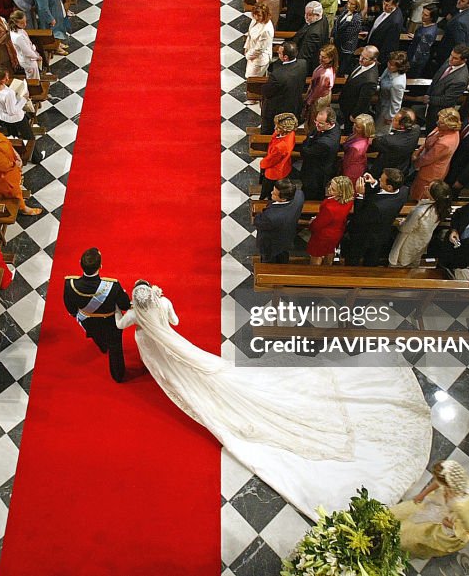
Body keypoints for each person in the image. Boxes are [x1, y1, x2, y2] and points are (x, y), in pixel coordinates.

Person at [116, 280, 431, 517]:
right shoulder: (163, 302)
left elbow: (119, 324)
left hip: (154, 347)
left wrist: (118, 312)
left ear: (135, 302)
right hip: (178, 347)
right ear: (152, 297)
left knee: (173, 374)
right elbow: (175, 324)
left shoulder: (134, 317)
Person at [391, 460, 469, 559]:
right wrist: (423, 494)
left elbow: (467, 529)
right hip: (442, 505)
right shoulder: (457, 479)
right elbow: (438, 482)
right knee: (405, 512)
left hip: (453, 522)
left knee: (412, 535)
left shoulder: (459, 506)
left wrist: (446, 522)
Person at [63, 248, 132, 382]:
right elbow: (124, 305)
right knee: (115, 347)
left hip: (88, 321)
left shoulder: (70, 284)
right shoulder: (113, 285)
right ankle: (118, 375)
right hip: (110, 322)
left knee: (97, 335)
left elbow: (69, 305)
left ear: (80, 263)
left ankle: (102, 346)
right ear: (100, 266)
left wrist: (76, 315)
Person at [0, 115, 43, 215]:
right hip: (2, 177)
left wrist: (16, 154)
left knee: (12, 191)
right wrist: (16, 163)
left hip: (9, 166)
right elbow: (5, 166)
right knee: (14, 193)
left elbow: (5, 141)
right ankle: (24, 209)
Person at [342, 169, 409, 266]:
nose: (379, 179)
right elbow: (387, 191)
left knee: (354, 258)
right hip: (382, 233)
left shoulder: (377, 206)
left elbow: (359, 218)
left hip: (364, 235)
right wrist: (375, 183)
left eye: (381, 180)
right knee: (372, 258)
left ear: (389, 187)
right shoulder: (404, 191)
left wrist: (360, 195)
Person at [388, 179, 452, 266]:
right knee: (413, 258)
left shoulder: (420, 211)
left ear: (433, 196)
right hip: (423, 239)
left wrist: (401, 223)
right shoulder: (442, 207)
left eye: (428, 188)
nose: (425, 187)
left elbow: (406, 228)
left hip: (409, 239)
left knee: (401, 260)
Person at [410, 108, 462, 201]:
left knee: (419, 195)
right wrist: (418, 151)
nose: (437, 123)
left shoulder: (445, 143)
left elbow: (428, 158)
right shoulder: (442, 127)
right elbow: (428, 141)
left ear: (450, 125)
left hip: (431, 171)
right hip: (425, 160)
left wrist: (415, 162)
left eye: (441, 122)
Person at [421, 45, 469, 133]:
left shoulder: (460, 79)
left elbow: (447, 100)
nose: (451, 59)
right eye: (451, 55)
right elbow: (436, 78)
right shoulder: (450, 61)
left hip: (440, 110)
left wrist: (429, 99)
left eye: (455, 58)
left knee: (432, 130)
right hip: (431, 101)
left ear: (464, 60)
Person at [255, 177, 305, 263]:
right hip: (287, 236)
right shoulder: (299, 195)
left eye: (274, 193)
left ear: (283, 199)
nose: (271, 193)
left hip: (271, 243)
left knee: (268, 260)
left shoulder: (271, 217)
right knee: (282, 254)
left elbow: (258, 221)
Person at [307, 175, 354, 264]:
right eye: (330, 186)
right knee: (330, 250)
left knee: (316, 254)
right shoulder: (348, 201)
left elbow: (318, 225)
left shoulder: (329, 207)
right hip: (337, 231)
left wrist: (311, 224)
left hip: (323, 235)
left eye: (333, 189)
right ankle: (328, 266)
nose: (329, 189)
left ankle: (313, 271)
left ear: (340, 192)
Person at [298, 107, 341, 200]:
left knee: (311, 195)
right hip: (317, 164)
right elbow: (311, 135)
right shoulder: (331, 126)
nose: (316, 125)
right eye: (316, 121)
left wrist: (308, 141)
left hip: (316, 173)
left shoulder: (326, 142)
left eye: (320, 123)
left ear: (330, 124)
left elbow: (305, 152)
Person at [259, 113, 299, 201]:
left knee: (267, 189)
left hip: (274, 171)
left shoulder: (281, 147)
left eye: (277, 128)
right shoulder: (291, 133)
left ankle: (263, 200)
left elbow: (270, 161)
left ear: (284, 130)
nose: (275, 129)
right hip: (284, 166)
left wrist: (262, 163)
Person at [374, 52, 409, 135]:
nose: (389, 66)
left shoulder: (398, 83)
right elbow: (381, 79)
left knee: (380, 133)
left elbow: (396, 103)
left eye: (392, 65)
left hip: (387, 110)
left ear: (400, 67)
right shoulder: (389, 69)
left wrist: (390, 117)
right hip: (381, 102)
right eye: (389, 63)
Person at [331, 0, 364, 75]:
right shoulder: (345, 12)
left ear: (357, 6)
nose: (349, 5)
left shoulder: (357, 19)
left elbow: (347, 35)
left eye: (352, 4)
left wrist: (335, 39)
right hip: (337, 43)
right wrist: (332, 35)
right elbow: (336, 24)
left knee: (341, 69)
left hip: (345, 48)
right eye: (348, 2)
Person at [340, 114, 374, 185]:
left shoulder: (356, 147)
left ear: (365, 129)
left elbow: (348, 161)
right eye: (355, 124)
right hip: (357, 161)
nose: (354, 127)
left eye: (358, 127)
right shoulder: (358, 134)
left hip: (351, 169)